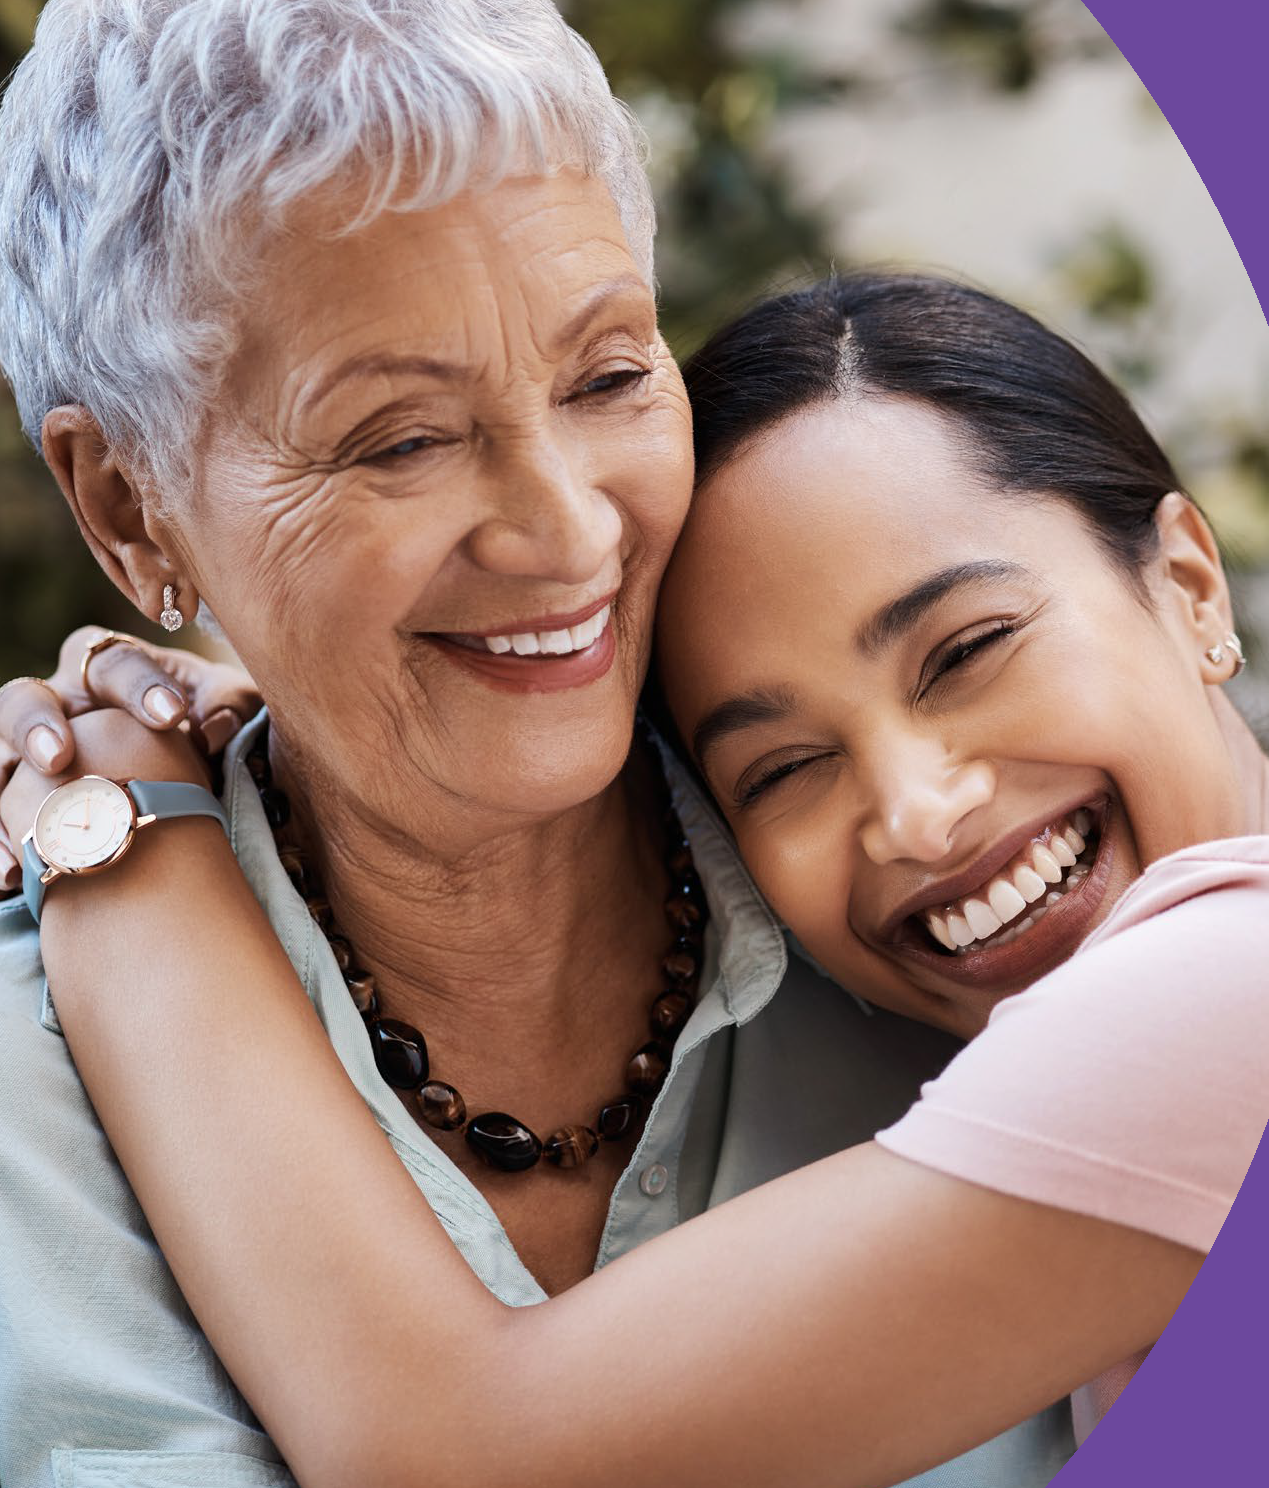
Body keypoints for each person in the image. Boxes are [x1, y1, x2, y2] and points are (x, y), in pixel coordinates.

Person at [1, 273, 1269, 1485]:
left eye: (967, 648)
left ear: (1193, 585)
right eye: (784, 767)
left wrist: (133, 842)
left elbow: (451, 1454)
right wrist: (319, 718)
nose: (919, 817)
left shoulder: (1263, 990)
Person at [0, 3, 1067, 1483]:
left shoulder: (946, 898)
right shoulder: (26, 1106)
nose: (570, 532)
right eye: (398, 441)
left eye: (609, 378)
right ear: (127, 506)